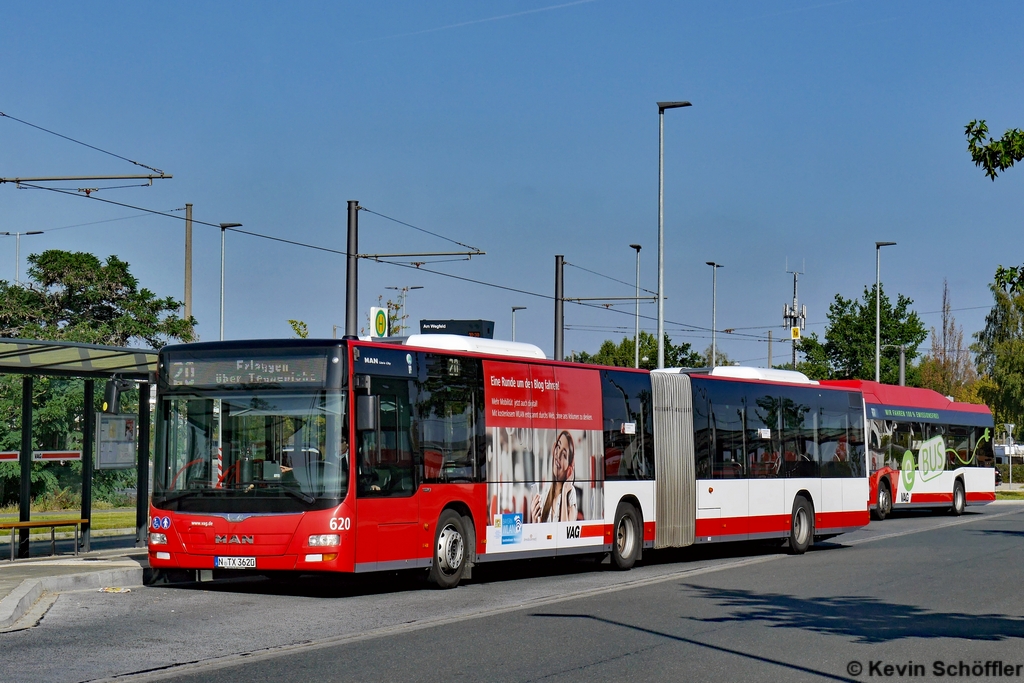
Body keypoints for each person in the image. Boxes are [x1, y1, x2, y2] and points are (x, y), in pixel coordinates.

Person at [531, 430, 578, 522]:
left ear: (569, 470)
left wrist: (564, 493)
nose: (558, 455)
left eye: (564, 455)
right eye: (558, 447)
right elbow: (539, 532)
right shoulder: (546, 493)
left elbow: (565, 531)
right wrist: (534, 518)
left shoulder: (570, 493)